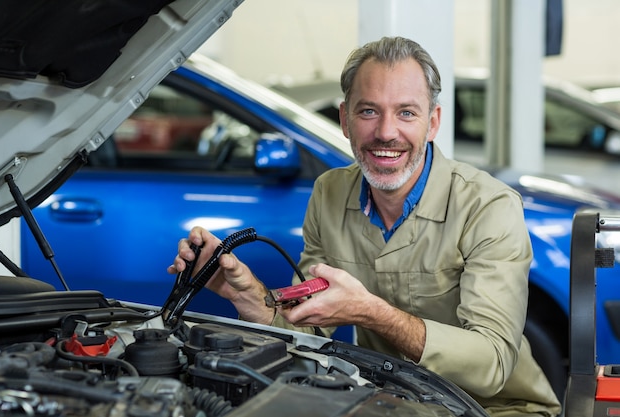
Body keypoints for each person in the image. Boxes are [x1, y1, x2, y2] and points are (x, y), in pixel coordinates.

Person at [169, 36, 562, 416]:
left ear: (433, 122)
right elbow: (306, 327)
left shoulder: (487, 205)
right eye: (369, 111)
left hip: (496, 408)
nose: (386, 132)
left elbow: (493, 362)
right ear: (345, 119)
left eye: (406, 112)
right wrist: (246, 293)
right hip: (393, 399)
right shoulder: (330, 191)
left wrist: (372, 313)